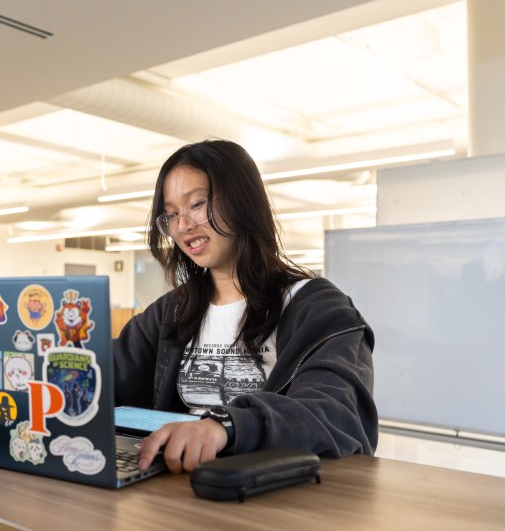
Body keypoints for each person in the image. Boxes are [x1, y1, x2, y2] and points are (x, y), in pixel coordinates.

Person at [113, 140, 377, 474]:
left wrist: (226, 425)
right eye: (172, 214)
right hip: (185, 486)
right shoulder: (172, 311)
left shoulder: (318, 307)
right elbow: (105, 379)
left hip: (273, 489)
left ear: (242, 201)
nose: (183, 225)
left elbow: (336, 410)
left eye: (196, 204)